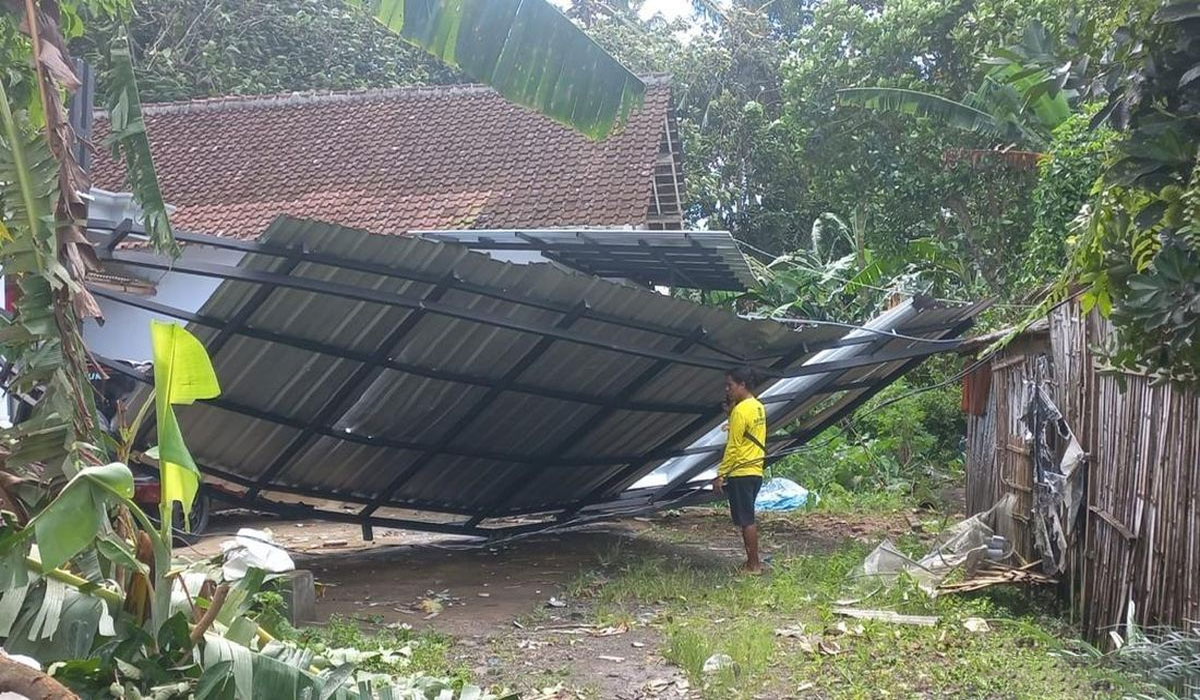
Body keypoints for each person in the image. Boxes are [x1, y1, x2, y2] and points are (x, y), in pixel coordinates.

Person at [714, 366, 767, 574]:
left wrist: (721, 474)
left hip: (741, 472)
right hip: (755, 470)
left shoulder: (740, 411)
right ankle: (752, 563)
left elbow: (734, 446)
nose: (727, 390)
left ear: (742, 385)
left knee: (746, 520)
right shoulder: (758, 406)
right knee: (747, 517)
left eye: (730, 385)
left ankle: (753, 565)